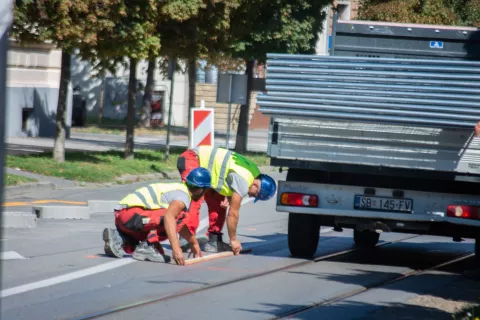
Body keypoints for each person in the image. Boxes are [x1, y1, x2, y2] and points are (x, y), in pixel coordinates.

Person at [177, 146, 277, 255]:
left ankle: (214, 241)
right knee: (195, 197)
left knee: (218, 201)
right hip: (192, 159)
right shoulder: (244, 181)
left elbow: (229, 175)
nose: (250, 195)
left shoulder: (254, 172)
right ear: (256, 185)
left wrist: (228, 195)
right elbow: (233, 214)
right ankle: (186, 237)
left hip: (206, 169)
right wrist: (233, 240)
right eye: (254, 194)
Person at [102, 167, 212, 266]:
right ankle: (146, 246)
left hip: (125, 216)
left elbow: (179, 225)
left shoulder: (179, 189)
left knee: (162, 242)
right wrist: (176, 248)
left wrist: (193, 242)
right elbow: (170, 218)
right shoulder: (182, 197)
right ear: (200, 189)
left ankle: (119, 238)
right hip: (132, 215)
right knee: (179, 216)